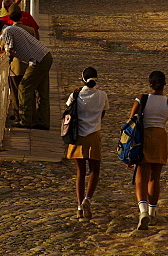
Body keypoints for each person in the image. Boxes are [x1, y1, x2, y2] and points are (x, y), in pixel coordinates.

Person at [127, 70, 168, 230]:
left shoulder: (141, 99)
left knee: (141, 178)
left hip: (143, 138)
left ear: (150, 84)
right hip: (160, 138)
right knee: (155, 177)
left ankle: (143, 212)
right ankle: (153, 212)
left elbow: (130, 122)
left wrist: (128, 150)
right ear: (164, 84)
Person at [66, 66, 108, 221]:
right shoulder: (102, 95)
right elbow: (103, 113)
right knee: (94, 171)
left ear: (82, 79)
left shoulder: (75, 94)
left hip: (77, 137)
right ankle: (87, 200)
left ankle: (79, 208)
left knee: (80, 172)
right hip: (93, 136)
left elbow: (69, 111)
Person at [0, 22, 53, 129]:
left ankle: (25, 120)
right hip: (45, 56)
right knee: (42, 92)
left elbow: (9, 51)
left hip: (37, 60)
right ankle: (43, 121)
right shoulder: (13, 28)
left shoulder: (7, 32)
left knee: (23, 87)